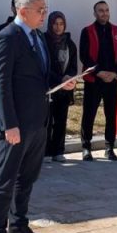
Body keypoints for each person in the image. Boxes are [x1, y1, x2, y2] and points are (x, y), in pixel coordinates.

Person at [0, 0, 74, 233]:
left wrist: (62, 82)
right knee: (6, 179)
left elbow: (43, 75)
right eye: (40, 10)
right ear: (22, 11)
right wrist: (9, 123)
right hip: (16, 125)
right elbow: (1, 85)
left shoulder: (37, 37)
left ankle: (19, 224)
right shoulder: (7, 38)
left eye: (45, 9)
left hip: (37, 121)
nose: (44, 14)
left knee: (28, 178)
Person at [79, 1, 117, 161]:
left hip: (112, 80)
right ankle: (86, 147)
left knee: (111, 115)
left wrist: (115, 73)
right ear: (95, 13)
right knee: (89, 115)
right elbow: (84, 56)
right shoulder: (87, 31)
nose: (104, 13)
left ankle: (109, 148)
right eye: (100, 11)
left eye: (106, 10)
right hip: (94, 80)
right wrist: (99, 72)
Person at [45, 11, 77, 162]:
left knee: (61, 120)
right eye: (55, 24)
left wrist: (68, 78)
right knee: (47, 121)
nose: (58, 27)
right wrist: (59, 79)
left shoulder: (70, 43)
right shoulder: (43, 40)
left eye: (61, 24)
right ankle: (45, 152)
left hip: (65, 89)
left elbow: (73, 66)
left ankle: (58, 150)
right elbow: (44, 66)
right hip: (49, 88)